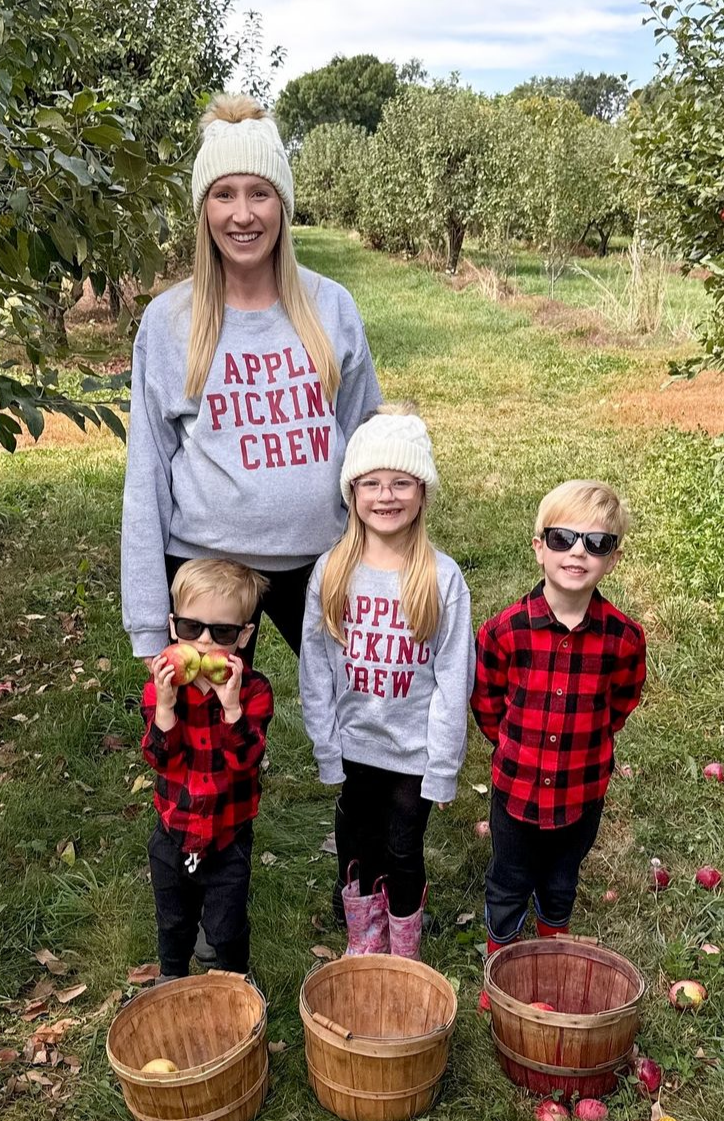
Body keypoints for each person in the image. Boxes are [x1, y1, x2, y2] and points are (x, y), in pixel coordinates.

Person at [121, 93, 383, 668]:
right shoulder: (169, 323)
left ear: (282, 205)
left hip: (324, 558)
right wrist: (148, 626)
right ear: (204, 209)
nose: (243, 215)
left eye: (259, 193)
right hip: (206, 573)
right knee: (207, 748)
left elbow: (369, 444)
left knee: (363, 713)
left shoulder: (330, 306)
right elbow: (146, 476)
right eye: (224, 195)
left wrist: (387, 562)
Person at [300, 404, 473, 959]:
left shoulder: (441, 578)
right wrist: (327, 746)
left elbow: (452, 679)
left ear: (422, 491)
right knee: (357, 844)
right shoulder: (332, 572)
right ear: (352, 493)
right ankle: (364, 940)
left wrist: (443, 767)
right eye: (371, 483)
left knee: (402, 849)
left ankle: (404, 949)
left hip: (414, 752)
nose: (386, 495)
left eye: (401, 482)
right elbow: (316, 667)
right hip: (356, 745)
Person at [470, 480, 646, 976]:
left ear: (612, 559)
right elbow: (487, 702)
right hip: (516, 790)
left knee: (561, 880)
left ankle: (550, 952)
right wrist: (511, 743)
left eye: (597, 543)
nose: (577, 552)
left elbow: (621, 702)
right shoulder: (504, 630)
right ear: (539, 549)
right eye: (563, 538)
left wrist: (585, 743)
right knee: (507, 879)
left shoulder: (624, 639)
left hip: (580, 791)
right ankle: (499, 966)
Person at [140, 559, 273, 980]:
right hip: (174, 826)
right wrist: (164, 707)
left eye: (224, 633)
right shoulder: (163, 685)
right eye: (192, 628)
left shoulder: (253, 691)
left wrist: (230, 707)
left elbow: (246, 761)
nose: (204, 644)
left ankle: (235, 976)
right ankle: (172, 974)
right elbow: (161, 759)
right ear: (173, 626)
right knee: (173, 915)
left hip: (227, 831)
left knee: (226, 922)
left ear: (245, 635)